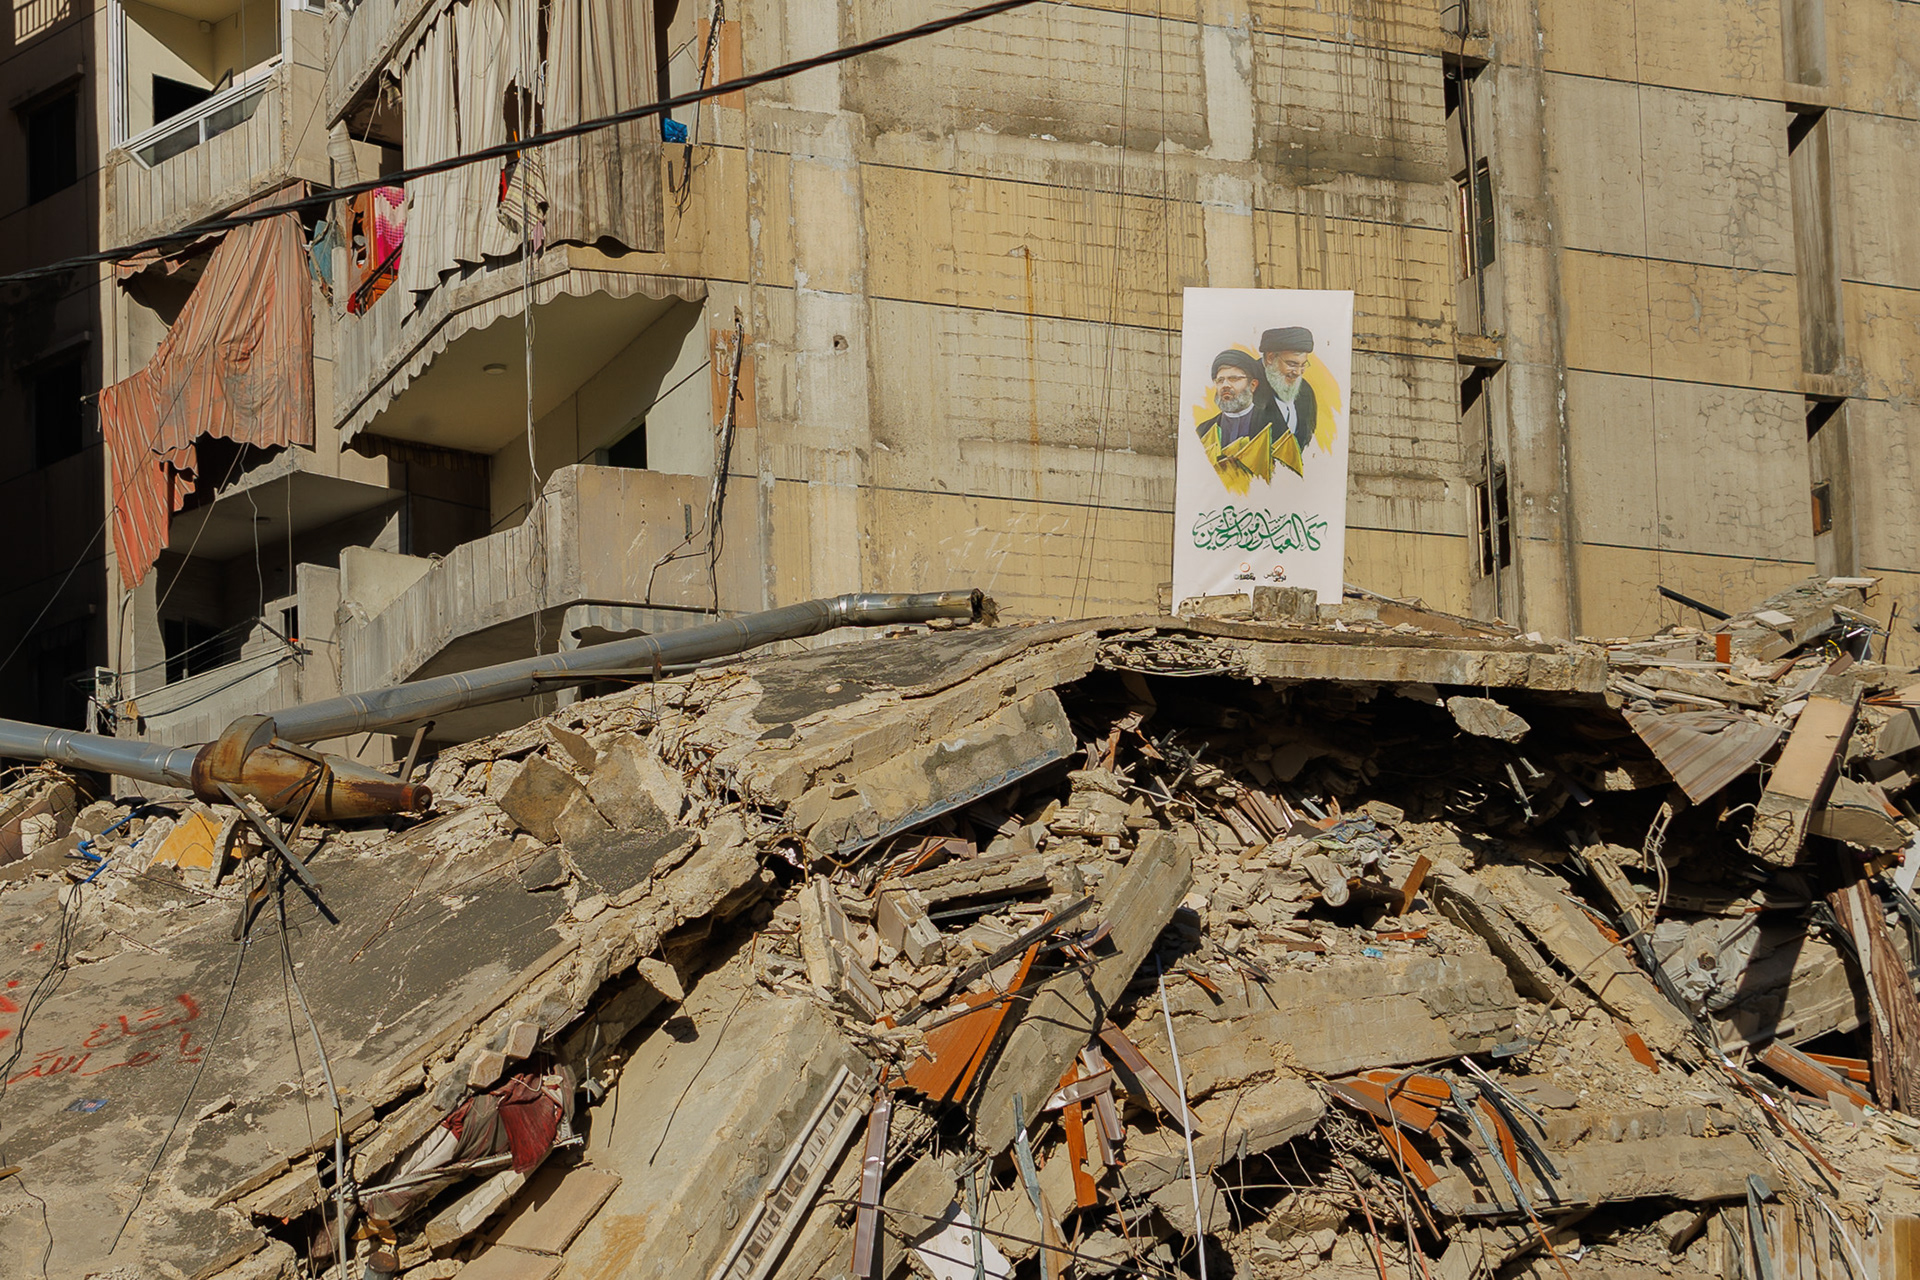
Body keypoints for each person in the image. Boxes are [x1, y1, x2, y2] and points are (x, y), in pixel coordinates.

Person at [1195, 350, 1286, 491]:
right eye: (1220, 380)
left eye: (1234, 379)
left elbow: (1291, 477)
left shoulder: (1275, 426)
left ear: (1253, 385)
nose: (1225, 385)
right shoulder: (1203, 431)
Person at [1258, 326, 1319, 477]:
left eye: (1303, 365)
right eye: (1292, 364)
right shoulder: (1245, 385)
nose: (1298, 373)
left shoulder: (1306, 392)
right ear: (1270, 357)